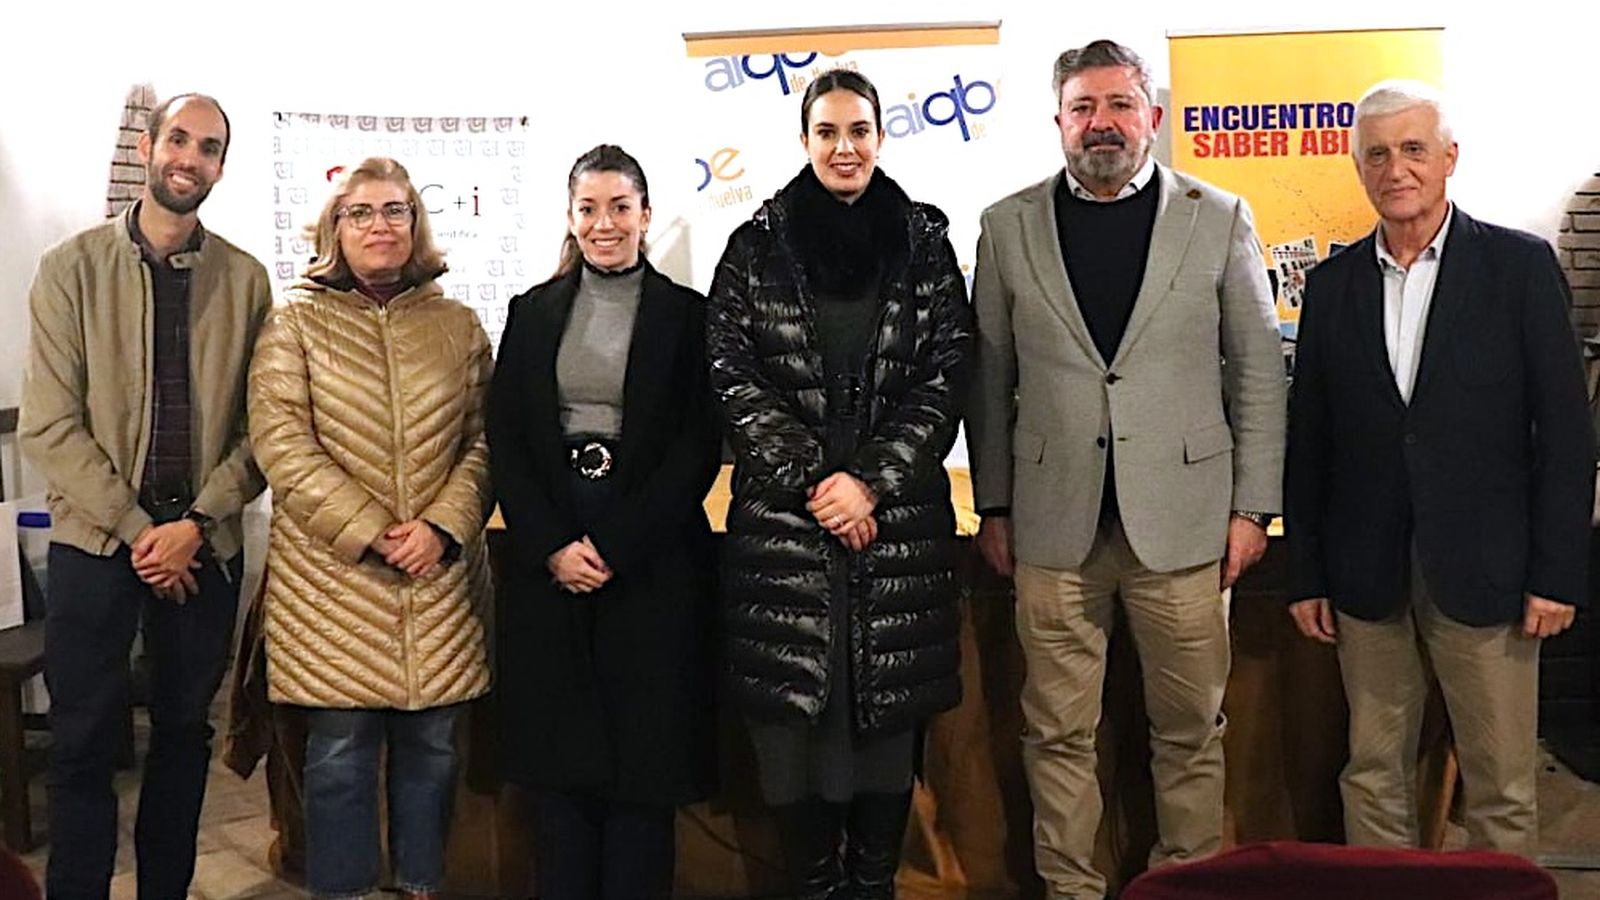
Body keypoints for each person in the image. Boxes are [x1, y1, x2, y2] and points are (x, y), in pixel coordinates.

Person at [966, 39, 1286, 899]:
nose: (1100, 124)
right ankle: (1071, 889)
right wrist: (993, 504)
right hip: (1050, 525)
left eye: (1117, 105)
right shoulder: (1006, 225)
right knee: (1057, 734)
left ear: (1152, 115)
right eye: (1082, 108)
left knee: (1189, 731)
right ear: (1059, 121)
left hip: (1184, 526)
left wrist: (1254, 508)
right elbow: (990, 377)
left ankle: (1183, 884)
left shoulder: (1218, 216)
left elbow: (1256, 368)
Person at [1284, 79, 1593, 854]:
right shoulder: (1331, 287)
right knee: (1373, 772)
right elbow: (1311, 440)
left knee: (1502, 785)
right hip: (1367, 578)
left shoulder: (1519, 269)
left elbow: (1565, 432)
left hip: (1490, 575)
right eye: (1379, 153)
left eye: (1414, 149)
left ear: (1450, 157)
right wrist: (1308, 573)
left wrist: (1558, 573)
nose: (1398, 168)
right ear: (1359, 167)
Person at [707, 69, 972, 900]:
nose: (844, 147)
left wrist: (874, 485)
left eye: (858, 130)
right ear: (805, 141)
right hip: (787, 532)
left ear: (880, 137)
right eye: (827, 132)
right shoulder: (755, 244)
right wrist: (823, 483)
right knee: (794, 731)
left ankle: (875, 884)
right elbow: (731, 374)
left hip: (896, 534)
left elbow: (948, 374)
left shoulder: (924, 242)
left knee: (885, 730)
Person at [18, 92, 271, 899]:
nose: (188, 157)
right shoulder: (70, 270)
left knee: (183, 738)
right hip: (97, 544)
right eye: (178, 139)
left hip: (204, 547)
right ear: (150, 146)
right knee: (83, 741)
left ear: (220, 168)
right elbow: (50, 427)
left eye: (207, 147)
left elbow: (262, 432)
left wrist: (194, 524)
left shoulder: (246, 280)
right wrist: (139, 532)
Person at [248, 156, 493, 899]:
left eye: (395, 211)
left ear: (415, 225)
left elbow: (486, 440)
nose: (380, 226)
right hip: (334, 581)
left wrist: (443, 527)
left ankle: (420, 886)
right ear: (334, 227)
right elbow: (279, 439)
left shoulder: (457, 325)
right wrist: (374, 531)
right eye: (362, 213)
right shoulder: (294, 322)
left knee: (433, 753)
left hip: (437, 576)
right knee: (339, 759)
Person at [486, 144, 721, 900]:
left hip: (648, 558)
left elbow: (696, 446)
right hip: (552, 555)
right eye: (589, 208)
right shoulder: (532, 312)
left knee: (641, 768)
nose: (605, 223)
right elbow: (509, 439)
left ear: (646, 215)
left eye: (620, 207)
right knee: (561, 767)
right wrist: (552, 544)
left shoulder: (689, 318)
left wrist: (617, 544)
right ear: (571, 218)